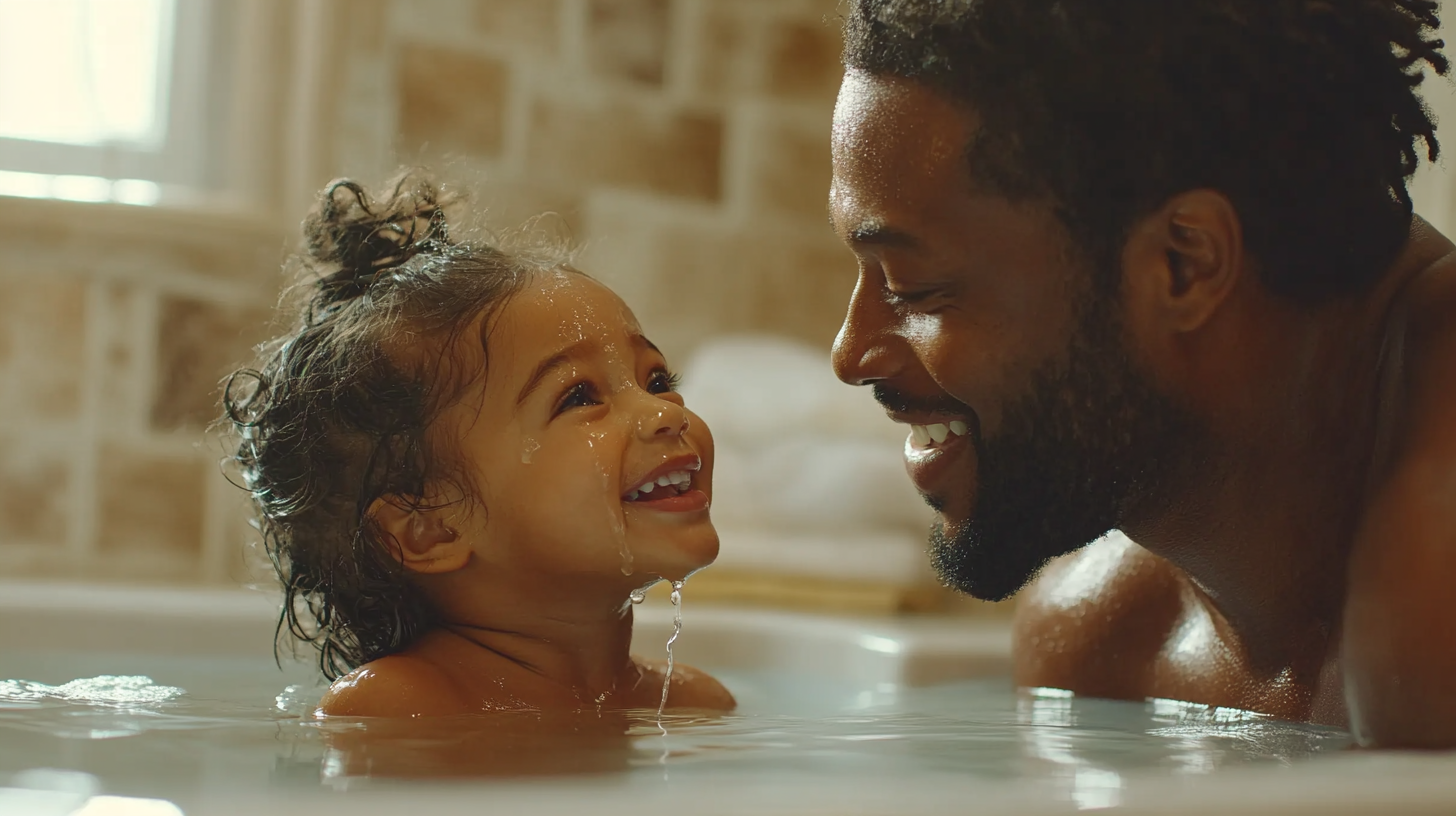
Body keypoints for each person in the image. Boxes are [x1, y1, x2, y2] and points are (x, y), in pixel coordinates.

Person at [828, 0, 1456, 748]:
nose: (850, 352)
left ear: (1183, 265)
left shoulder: (1428, 587)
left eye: (916, 288)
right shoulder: (1103, 648)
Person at [223, 172, 733, 717]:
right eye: (579, 397)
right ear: (431, 528)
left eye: (656, 381)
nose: (664, 413)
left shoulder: (690, 705)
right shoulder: (402, 708)